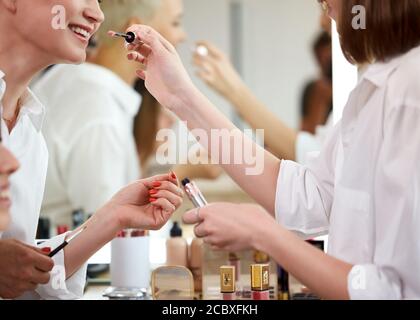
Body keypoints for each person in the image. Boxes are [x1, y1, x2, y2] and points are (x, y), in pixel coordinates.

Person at [122, 0, 420, 299]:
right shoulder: (375, 91)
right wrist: (181, 96)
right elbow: (308, 195)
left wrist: (264, 233)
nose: (321, 18)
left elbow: (397, 290)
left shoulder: (410, 93)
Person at [0, 0, 182, 299]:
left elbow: (20, 273)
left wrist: (112, 218)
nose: (97, 15)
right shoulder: (92, 108)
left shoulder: (29, 128)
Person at [34, 0, 220, 228]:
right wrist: (185, 171)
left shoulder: (75, 84)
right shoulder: (100, 114)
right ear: (136, 30)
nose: (181, 35)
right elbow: (111, 231)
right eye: (175, 22)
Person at [192, 10, 333, 164]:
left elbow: (311, 153)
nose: (322, 21)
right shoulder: (313, 91)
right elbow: (304, 143)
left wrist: (236, 92)